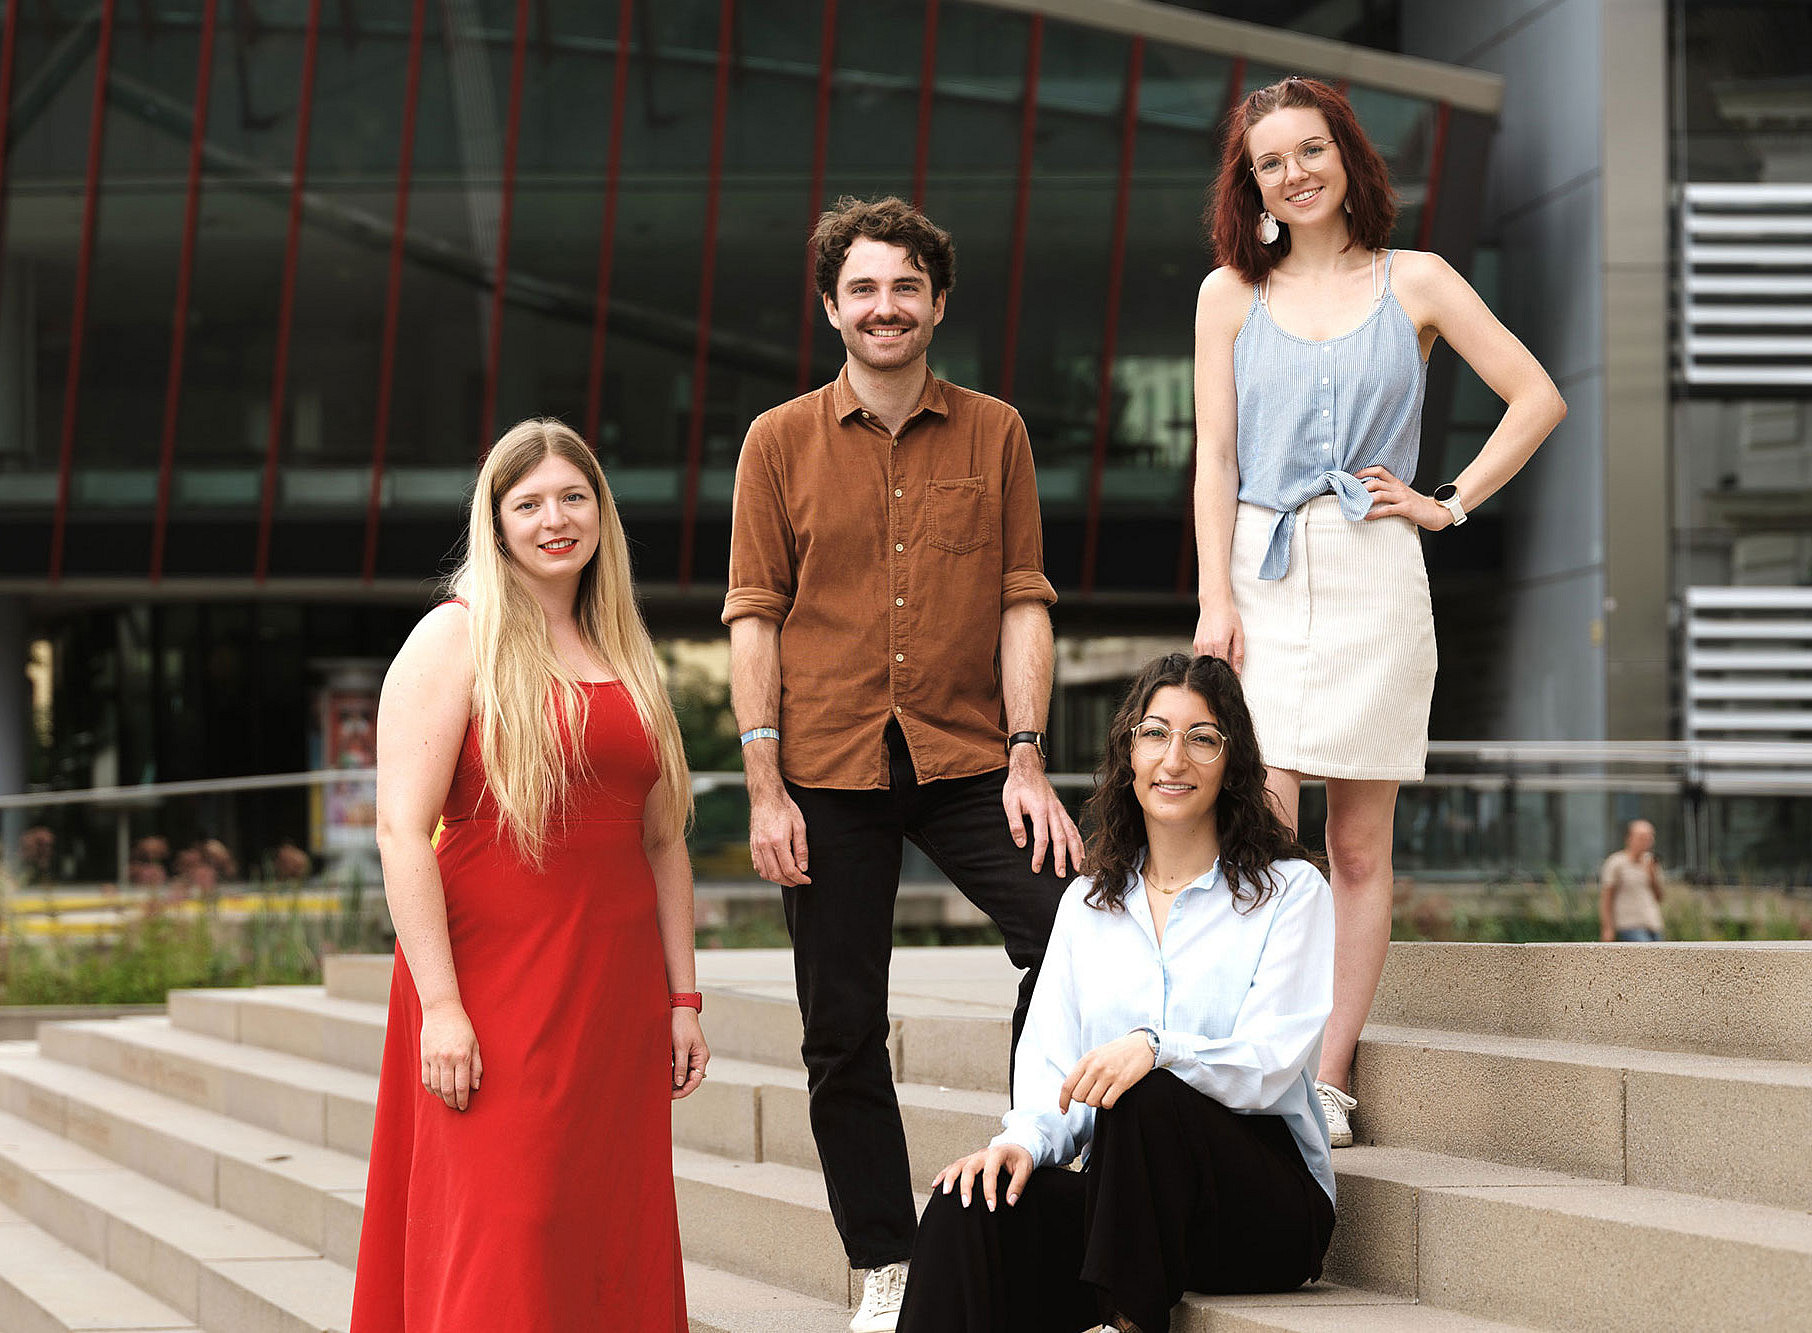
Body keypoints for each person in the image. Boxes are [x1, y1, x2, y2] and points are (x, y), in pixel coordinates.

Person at [1190, 76, 1568, 1148]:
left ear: (1348, 157)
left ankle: (1330, 1071)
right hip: (1260, 575)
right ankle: (1251, 1045)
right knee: (1254, 827)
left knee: (1358, 846)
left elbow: (1537, 395)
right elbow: (1216, 458)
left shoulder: (1422, 281)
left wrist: (1448, 502)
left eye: (1311, 150)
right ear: (1252, 183)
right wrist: (1215, 595)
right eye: (1271, 161)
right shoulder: (1230, 294)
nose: (1295, 172)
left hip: (1374, 571)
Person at [723, 195, 1077, 1333]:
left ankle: (1031, 1173)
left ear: (938, 303)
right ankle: (888, 1258)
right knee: (840, 1026)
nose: (887, 307)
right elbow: (754, 618)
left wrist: (1029, 759)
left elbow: (1025, 599)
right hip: (823, 767)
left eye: (906, 288)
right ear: (831, 306)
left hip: (973, 753)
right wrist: (764, 786)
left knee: (1073, 935)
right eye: (864, 288)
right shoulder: (777, 441)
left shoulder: (998, 430)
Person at [351, 419, 707, 1330]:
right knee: (506, 1224)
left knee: (605, 1226)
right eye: (530, 502)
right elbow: (400, 829)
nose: (556, 519)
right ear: (498, 521)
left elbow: (663, 842)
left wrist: (684, 1000)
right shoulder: (454, 638)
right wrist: (440, 1005)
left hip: (613, 997)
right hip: (491, 988)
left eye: (574, 497)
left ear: (601, 513)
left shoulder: (626, 651)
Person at [897, 653, 1336, 1333]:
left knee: (1147, 1090)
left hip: (1261, 1204)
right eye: (1155, 733)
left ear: (1232, 761)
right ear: (1129, 754)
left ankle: (1125, 1321)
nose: (1175, 759)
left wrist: (1156, 1049)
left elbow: (1271, 1059)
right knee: (967, 1204)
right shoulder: (1086, 906)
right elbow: (1052, 1066)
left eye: (1202, 737)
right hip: (1123, 1206)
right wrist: (1022, 1142)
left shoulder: (1290, 892)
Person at [1600, 819, 1666, 942]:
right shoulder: (1616, 863)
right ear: (1629, 838)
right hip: (1629, 924)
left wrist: (1652, 875)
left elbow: (1660, 897)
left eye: (1650, 837)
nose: (1647, 841)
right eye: (1642, 837)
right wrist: (1608, 928)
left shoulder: (1651, 862)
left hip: (1653, 923)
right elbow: (1607, 897)